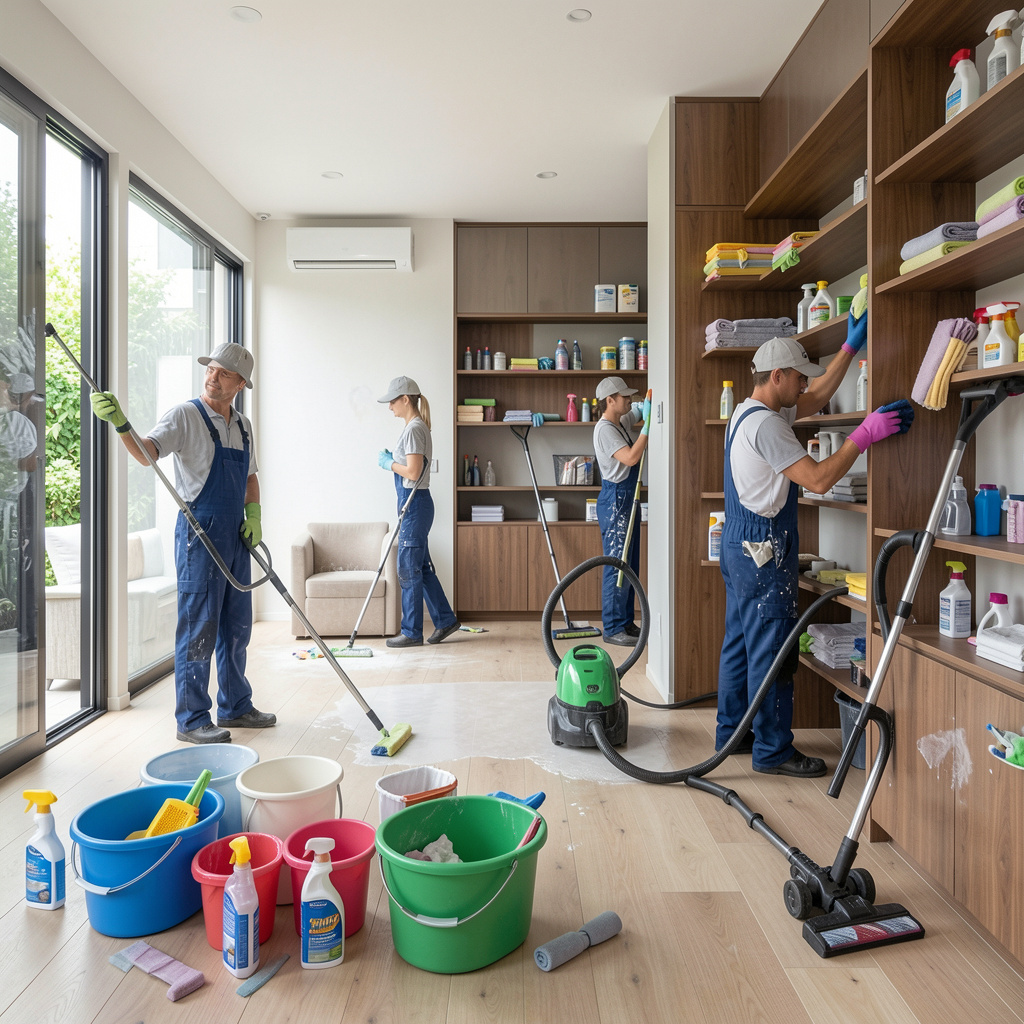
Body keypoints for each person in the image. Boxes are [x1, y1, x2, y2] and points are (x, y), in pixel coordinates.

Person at [716, 322, 911, 777]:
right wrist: (864, 435)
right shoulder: (769, 427)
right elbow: (821, 479)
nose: (805, 384)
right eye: (799, 376)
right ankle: (772, 751)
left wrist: (850, 346)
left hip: (740, 546)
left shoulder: (748, 412)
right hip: (764, 550)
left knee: (740, 647)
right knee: (772, 653)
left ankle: (733, 734)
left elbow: (817, 397)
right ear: (778, 375)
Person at [90, 343, 276, 744]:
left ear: (240, 383)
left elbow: (249, 478)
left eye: (224, 373)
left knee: (236, 625)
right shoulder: (185, 415)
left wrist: (255, 517)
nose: (212, 376)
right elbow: (147, 454)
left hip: (237, 534)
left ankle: (236, 705)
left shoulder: (243, 425)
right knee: (199, 626)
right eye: (211, 369)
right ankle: (191, 719)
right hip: (200, 533)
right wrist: (122, 424)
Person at [377, 375, 459, 648]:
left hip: (415, 506)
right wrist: (394, 459)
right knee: (421, 568)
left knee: (408, 570)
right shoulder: (416, 427)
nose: (389, 407)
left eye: (392, 401)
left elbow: (412, 472)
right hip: (417, 504)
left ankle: (411, 632)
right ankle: (446, 620)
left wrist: (389, 463)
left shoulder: (414, 429)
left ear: (405, 399)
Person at [593, 376, 651, 646]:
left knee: (628, 564)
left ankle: (626, 622)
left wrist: (648, 402)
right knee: (616, 566)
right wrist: (648, 427)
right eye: (624, 397)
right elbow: (630, 457)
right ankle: (613, 627)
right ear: (610, 401)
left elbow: (638, 409)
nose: (629, 400)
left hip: (627, 498)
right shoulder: (605, 429)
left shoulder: (620, 422)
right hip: (616, 499)